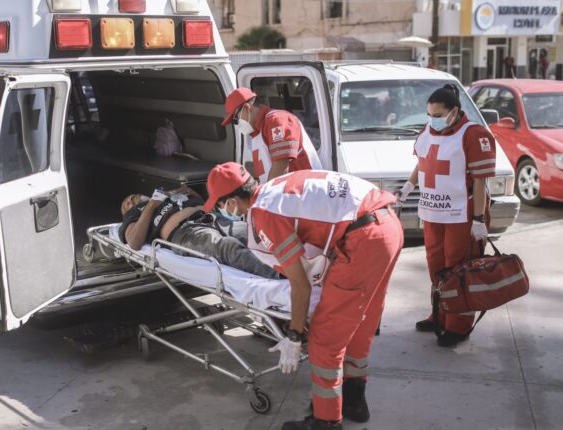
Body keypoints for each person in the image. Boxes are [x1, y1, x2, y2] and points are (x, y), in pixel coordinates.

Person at [204, 163, 403, 430]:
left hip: (364, 239)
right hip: (388, 225)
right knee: (361, 324)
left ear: (231, 201)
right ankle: (354, 399)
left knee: (324, 339)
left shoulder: (264, 212)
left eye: (220, 205)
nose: (223, 211)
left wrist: (294, 335)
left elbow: (301, 286)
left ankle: (326, 422)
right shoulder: (275, 188)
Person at [396, 84, 495, 347]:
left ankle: (459, 325)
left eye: (438, 115)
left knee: (458, 268)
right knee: (436, 267)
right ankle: (439, 312)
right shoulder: (428, 131)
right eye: (429, 114)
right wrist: (406, 188)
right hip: (433, 213)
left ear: (454, 112)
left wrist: (478, 220)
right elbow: (424, 161)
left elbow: (480, 181)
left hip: (462, 216)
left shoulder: (473, 135)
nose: (432, 119)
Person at [119, 186, 278, 279]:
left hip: (211, 217)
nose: (129, 201)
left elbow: (202, 202)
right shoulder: (136, 216)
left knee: (253, 233)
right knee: (227, 247)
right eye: (125, 205)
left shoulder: (165, 195)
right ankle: (281, 274)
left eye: (132, 197)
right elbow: (134, 242)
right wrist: (151, 206)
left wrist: (190, 193)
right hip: (186, 232)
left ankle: (297, 262)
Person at [220, 87, 323, 184]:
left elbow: (281, 167)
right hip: (290, 194)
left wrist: (266, 197)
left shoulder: (277, 120)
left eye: (235, 119)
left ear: (247, 108)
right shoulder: (257, 134)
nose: (236, 124)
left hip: (305, 191)